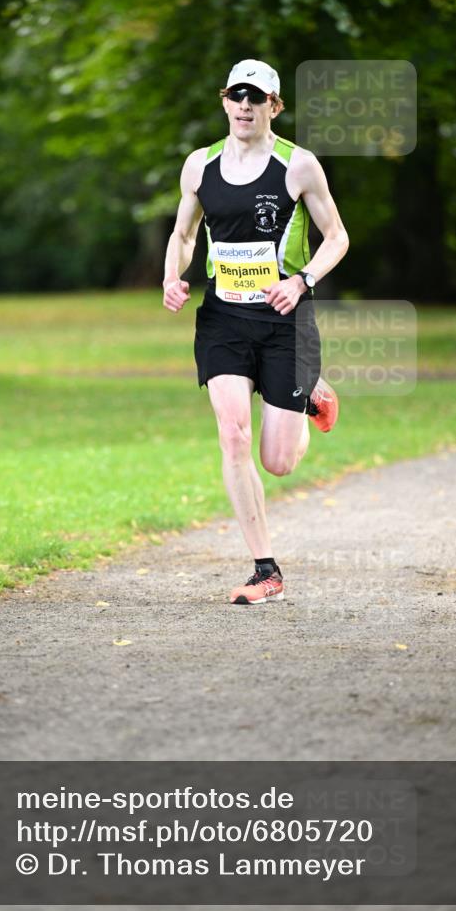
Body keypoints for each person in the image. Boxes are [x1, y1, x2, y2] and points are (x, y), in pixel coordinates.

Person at [162, 58, 349, 605]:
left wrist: (303, 279)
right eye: (236, 95)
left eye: (256, 96)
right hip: (224, 319)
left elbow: (336, 236)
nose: (245, 105)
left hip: (285, 321)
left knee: (279, 461)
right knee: (233, 435)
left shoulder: (299, 166)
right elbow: (183, 232)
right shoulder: (200, 166)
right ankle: (265, 570)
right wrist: (173, 276)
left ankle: (311, 394)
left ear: (274, 105)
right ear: (224, 101)